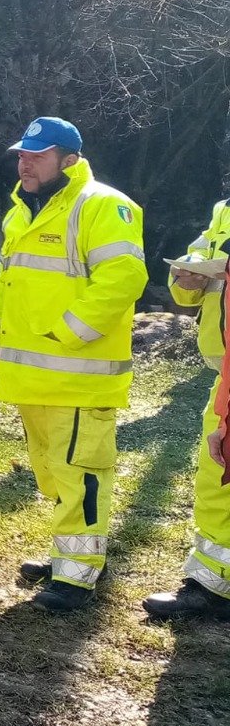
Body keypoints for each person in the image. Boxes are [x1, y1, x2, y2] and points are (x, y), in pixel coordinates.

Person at [0, 117, 147, 613]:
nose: (24, 162)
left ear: (69, 160)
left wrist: (69, 333)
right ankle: (66, 557)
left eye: (37, 154)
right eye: (21, 154)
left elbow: (124, 278)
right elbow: (6, 283)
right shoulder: (21, 213)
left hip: (79, 377)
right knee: (52, 474)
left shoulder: (103, 205)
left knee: (81, 476)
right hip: (30, 375)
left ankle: (77, 577)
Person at [142, 202, 230, 619]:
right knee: (217, 481)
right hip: (224, 373)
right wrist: (188, 278)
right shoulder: (221, 211)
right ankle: (212, 585)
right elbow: (184, 288)